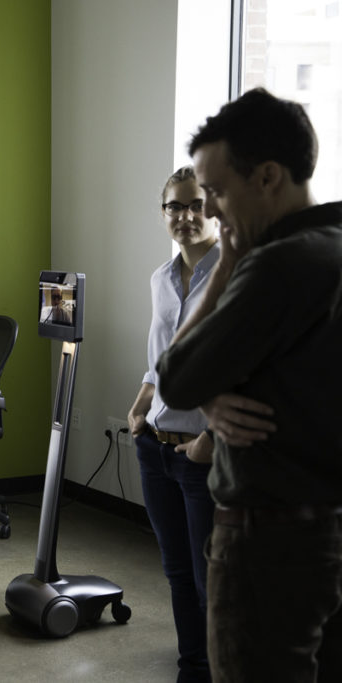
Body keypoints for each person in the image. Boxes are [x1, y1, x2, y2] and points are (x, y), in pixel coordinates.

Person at [157, 88, 342, 682]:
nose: (208, 211)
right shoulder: (333, 246)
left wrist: (224, 278)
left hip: (270, 539)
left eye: (215, 192)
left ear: (267, 176)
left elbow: (177, 379)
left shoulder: (274, 264)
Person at [127, 166, 218, 682]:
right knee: (179, 573)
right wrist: (140, 407)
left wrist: (212, 438)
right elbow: (158, 360)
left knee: (211, 581)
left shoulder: (236, 274)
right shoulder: (162, 278)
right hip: (156, 448)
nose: (185, 215)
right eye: (175, 207)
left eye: (196, 204)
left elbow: (255, 370)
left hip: (202, 455)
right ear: (163, 212)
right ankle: (193, 669)